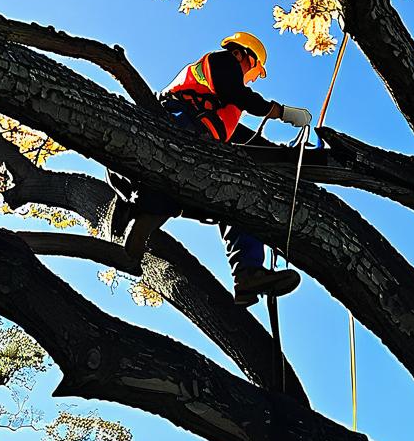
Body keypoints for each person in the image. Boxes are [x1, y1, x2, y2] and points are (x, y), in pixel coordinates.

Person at [112, 32, 312, 307]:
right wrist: (279, 111)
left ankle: (248, 274)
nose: (252, 78)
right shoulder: (222, 64)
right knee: (170, 182)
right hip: (177, 127)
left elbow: (247, 141)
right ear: (242, 54)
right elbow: (238, 93)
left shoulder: (222, 104)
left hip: (197, 149)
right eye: (253, 70)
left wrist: (287, 154)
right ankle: (137, 208)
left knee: (238, 197)